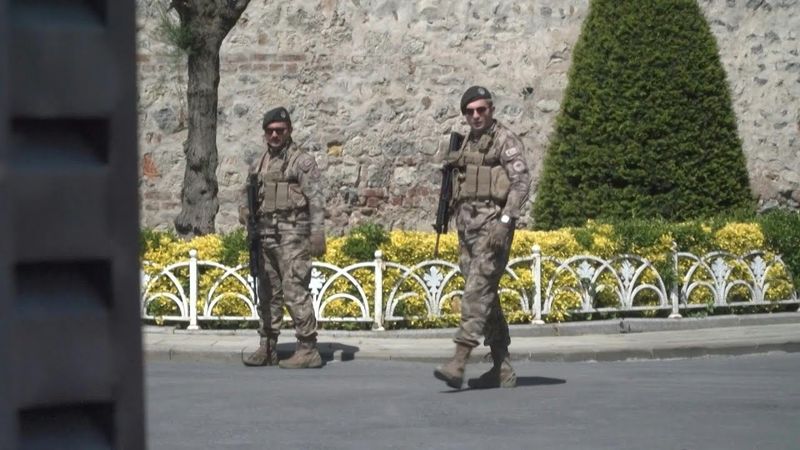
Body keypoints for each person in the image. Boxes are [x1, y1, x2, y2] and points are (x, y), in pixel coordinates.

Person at [434, 86, 531, 388]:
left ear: (491, 109)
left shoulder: (505, 140)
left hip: (493, 231)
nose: (476, 116)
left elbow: (521, 182)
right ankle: (502, 366)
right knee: (486, 294)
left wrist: (506, 220)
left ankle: (459, 360)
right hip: (467, 232)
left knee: (476, 293)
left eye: (481, 109)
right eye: (470, 111)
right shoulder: (465, 144)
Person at [240, 106, 327, 369]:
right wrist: (245, 214)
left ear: (289, 130)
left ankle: (308, 348)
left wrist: (318, 233)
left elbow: (316, 198)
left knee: (294, 291)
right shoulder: (259, 162)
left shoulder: (302, 162)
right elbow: (246, 195)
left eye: (280, 130)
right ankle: (267, 346)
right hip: (265, 236)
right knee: (267, 292)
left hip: (293, 236)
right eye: (270, 131)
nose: (275, 135)